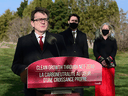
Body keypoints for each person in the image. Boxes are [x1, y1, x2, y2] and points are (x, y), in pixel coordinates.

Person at [11, 7, 67, 96]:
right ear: (32, 23)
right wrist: (25, 70)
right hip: (31, 90)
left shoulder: (58, 39)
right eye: (39, 19)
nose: (43, 22)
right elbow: (15, 65)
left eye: (45, 19)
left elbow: (66, 63)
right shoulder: (23, 41)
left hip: (55, 90)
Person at [59, 14, 89, 96]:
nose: (74, 22)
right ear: (68, 21)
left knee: (79, 90)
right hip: (66, 67)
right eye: (72, 20)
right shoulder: (61, 35)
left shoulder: (83, 35)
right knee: (66, 90)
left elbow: (85, 52)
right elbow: (59, 51)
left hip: (79, 68)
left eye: (76, 21)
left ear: (78, 22)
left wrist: (86, 66)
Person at [93, 23, 117, 96]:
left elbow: (114, 51)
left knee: (109, 84)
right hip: (99, 65)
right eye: (104, 29)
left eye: (107, 29)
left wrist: (108, 60)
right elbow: (95, 51)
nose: (105, 30)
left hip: (110, 65)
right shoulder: (97, 40)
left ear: (109, 31)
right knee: (99, 85)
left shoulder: (113, 40)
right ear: (101, 30)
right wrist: (102, 60)